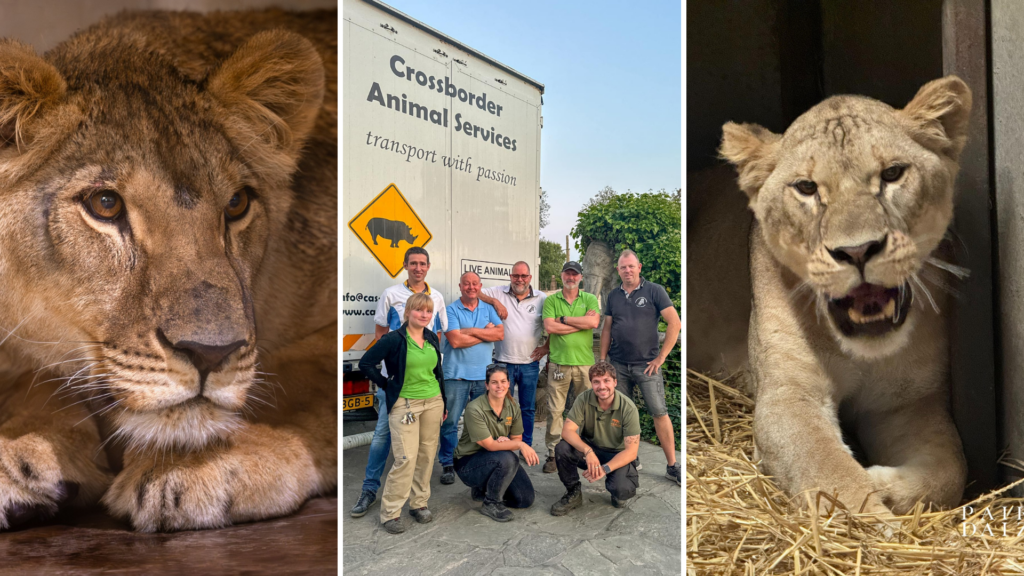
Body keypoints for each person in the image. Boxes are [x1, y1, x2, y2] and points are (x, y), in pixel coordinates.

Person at [351, 247, 448, 518]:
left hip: (429, 393)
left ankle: (419, 503)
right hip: (397, 389)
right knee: (383, 439)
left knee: (426, 452)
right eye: (413, 263)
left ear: (428, 266)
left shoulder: (436, 298)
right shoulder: (391, 294)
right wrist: (385, 382)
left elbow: (437, 336)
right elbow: (381, 334)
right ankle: (370, 490)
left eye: (422, 264)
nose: (418, 268)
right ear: (405, 265)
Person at [600, 249, 682, 485]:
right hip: (617, 366)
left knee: (659, 413)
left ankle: (672, 465)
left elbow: (674, 323)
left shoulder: (654, 290)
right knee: (623, 414)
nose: (627, 270)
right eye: (623, 267)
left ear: (639, 267)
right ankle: (630, 459)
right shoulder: (613, 296)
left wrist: (661, 358)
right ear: (618, 270)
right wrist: (603, 359)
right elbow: (607, 328)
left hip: (648, 367)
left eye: (631, 266)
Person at [438, 271, 504, 485]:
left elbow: (499, 334)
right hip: (455, 376)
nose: (471, 287)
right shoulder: (450, 309)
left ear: (480, 286)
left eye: (475, 284)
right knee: (449, 422)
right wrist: (484, 333)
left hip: (482, 377)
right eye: (467, 284)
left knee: (482, 422)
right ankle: (448, 463)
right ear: (460, 286)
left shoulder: (488, 308)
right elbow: (455, 342)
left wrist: (469, 332)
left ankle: (476, 458)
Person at [550, 361, 641, 516]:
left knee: (622, 490)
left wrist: (604, 469)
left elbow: (631, 452)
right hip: (590, 447)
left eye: (606, 381)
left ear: (615, 382)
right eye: (596, 382)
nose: (602, 386)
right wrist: (588, 451)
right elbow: (567, 431)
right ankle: (573, 492)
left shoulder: (628, 407)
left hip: (615, 453)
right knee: (562, 448)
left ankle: (617, 487)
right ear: (591, 383)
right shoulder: (583, 398)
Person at [453, 364, 540, 521]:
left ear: (508, 383)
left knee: (524, 499)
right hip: (468, 463)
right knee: (508, 458)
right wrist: (519, 445)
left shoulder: (513, 406)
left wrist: (510, 442)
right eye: (494, 382)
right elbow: (490, 445)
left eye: (503, 381)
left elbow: (516, 438)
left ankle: (485, 488)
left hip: (495, 457)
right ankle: (491, 502)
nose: (499, 386)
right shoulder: (475, 408)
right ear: (487, 385)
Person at [480, 262, 547, 455]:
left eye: (524, 276)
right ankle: (503, 446)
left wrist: (546, 347)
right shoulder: (498, 292)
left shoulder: (541, 297)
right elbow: (477, 292)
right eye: (516, 276)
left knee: (527, 409)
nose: (520, 279)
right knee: (500, 407)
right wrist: (495, 302)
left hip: (529, 364)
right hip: (503, 363)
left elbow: (552, 321)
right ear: (510, 276)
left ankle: (526, 446)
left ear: (530, 278)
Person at [540, 261, 600, 473]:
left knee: (587, 409)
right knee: (555, 409)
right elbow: (549, 327)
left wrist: (564, 320)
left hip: (585, 364)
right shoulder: (551, 300)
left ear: (581, 277)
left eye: (575, 275)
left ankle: (585, 449)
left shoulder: (590, 298)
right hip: (559, 363)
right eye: (568, 274)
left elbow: (593, 324)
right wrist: (579, 324)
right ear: (562, 275)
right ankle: (553, 454)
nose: (571, 278)